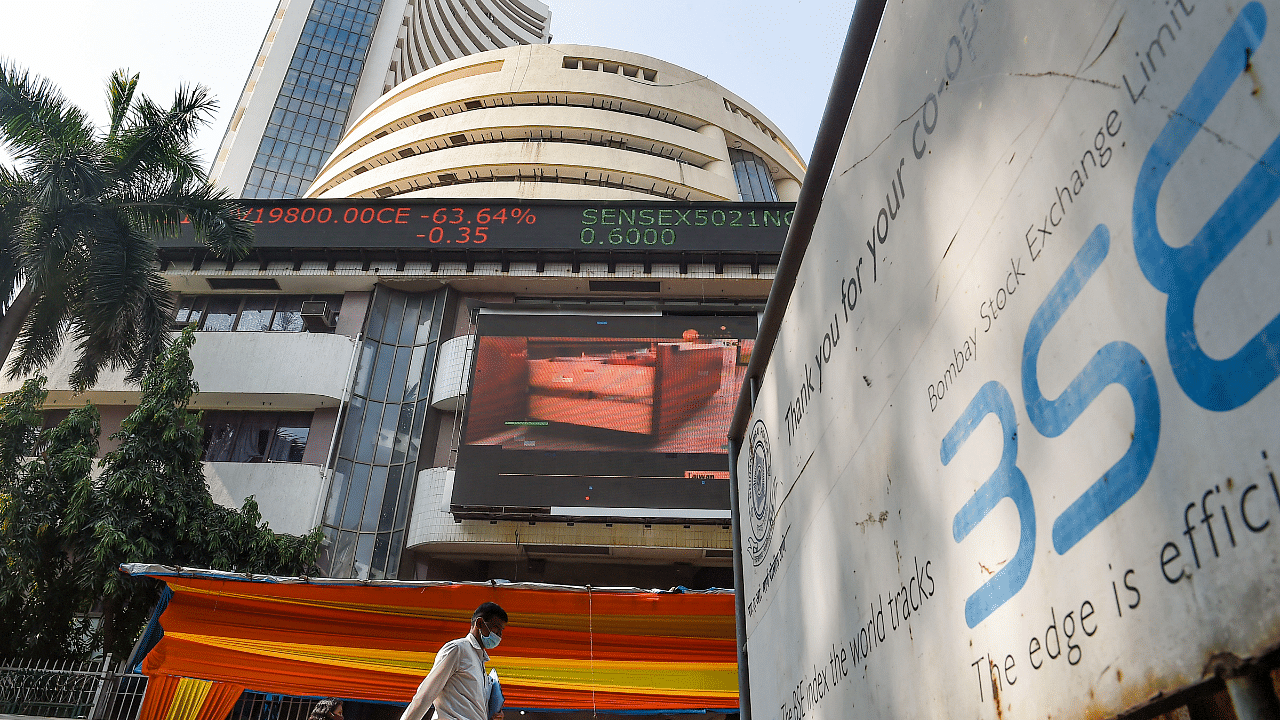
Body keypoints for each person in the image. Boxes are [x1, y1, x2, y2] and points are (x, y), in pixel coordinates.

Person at [399, 602, 508, 720]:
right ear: (480, 623)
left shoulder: (479, 661)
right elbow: (426, 695)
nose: (499, 635)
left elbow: (472, 709)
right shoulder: (457, 649)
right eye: (496, 627)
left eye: (501, 630)